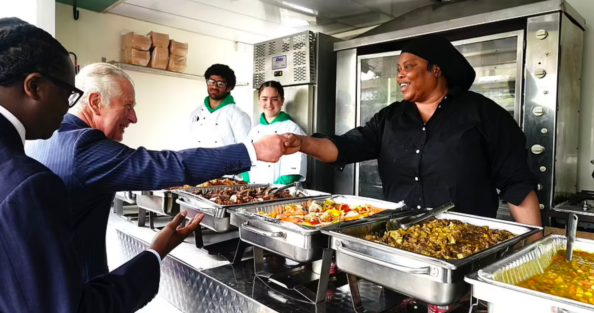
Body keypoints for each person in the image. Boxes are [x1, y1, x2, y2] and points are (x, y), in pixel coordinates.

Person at [25, 62, 285, 313]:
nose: (134, 117)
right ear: (95, 103)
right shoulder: (82, 146)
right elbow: (164, 166)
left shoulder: (46, 136)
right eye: (128, 106)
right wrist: (252, 152)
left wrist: (158, 249)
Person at [0, 17, 204, 313]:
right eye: (68, 93)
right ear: (34, 86)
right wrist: (154, 256)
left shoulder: (31, 153)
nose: (69, 106)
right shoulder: (28, 179)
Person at [282, 34, 541, 226]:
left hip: (467, 243)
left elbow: (516, 184)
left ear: (436, 69)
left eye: (409, 66)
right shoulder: (390, 118)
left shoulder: (485, 114)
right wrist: (302, 143)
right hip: (401, 239)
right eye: (398, 70)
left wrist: (533, 248)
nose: (400, 76)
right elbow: (345, 147)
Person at [242, 81, 307, 184]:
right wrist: (248, 185)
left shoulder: (292, 130)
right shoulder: (254, 131)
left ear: (282, 101)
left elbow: (293, 171)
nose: (269, 104)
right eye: (264, 99)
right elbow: (246, 162)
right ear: (259, 101)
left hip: (282, 193)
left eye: (275, 99)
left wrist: (274, 191)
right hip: (254, 192)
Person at [189, 63, 251, 147]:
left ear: (229, 88)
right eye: (211, 82)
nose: (214, 86)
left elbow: (245, 150)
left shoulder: (239, 116)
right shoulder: (196, 113)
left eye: (220, 83)